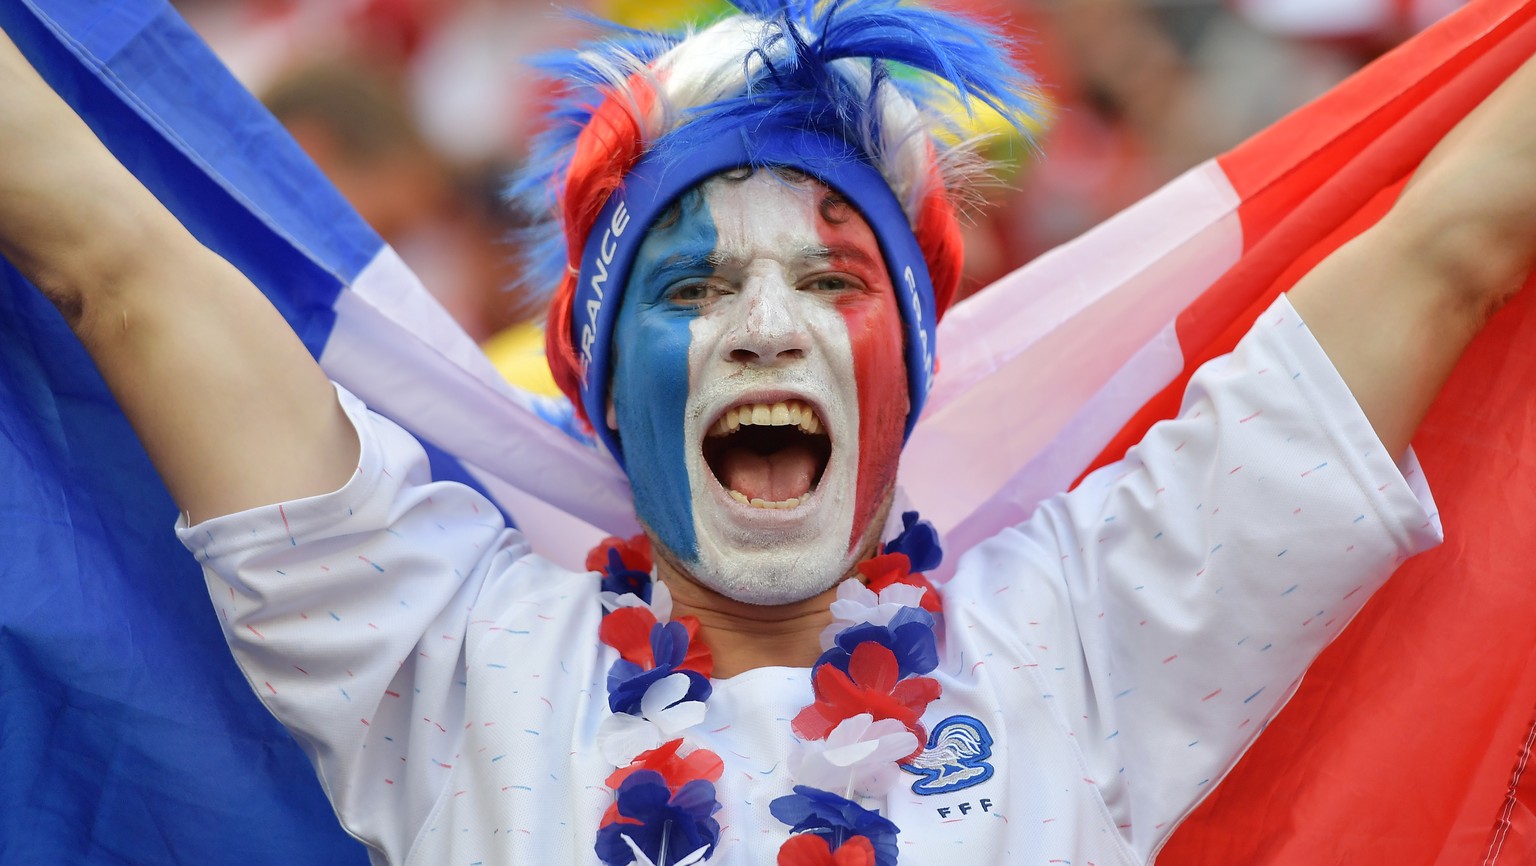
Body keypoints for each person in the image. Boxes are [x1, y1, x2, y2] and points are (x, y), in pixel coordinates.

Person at [2, 1, 1533, 864]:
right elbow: (117, 269)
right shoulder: (448, 652)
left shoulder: (1092, 628)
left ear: (906, 381)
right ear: (609, 390)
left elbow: (1452, 246)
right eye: (691, 285)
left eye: (833, 277)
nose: (765, 325)